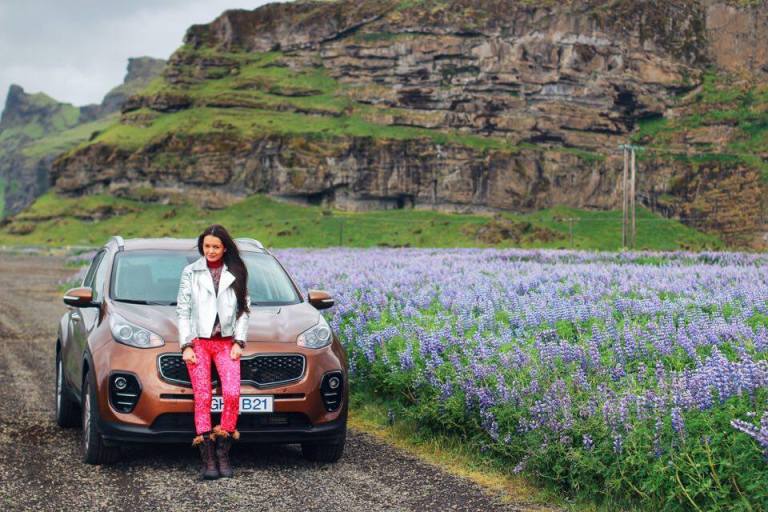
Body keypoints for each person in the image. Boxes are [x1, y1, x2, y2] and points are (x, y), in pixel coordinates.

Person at [176, 224, 250, 479]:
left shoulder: (237, 271)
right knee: (203, 396)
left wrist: (239, 342)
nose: (210, 250)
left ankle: (223, 452)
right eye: (207, 246)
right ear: (202, 247)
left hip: (226, 343)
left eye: (215, 246)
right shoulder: (191, 273)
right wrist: (186, 345)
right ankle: (207, 459)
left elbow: (243, 310)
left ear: (224, 247)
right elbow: (183, 310)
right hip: (198, 342)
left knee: (231, 393)